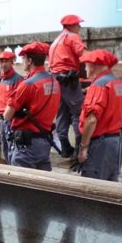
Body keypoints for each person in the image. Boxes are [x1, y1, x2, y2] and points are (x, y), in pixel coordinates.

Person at [77, 50, 122, 181]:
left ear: (93, 65)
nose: (85, 68)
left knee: (93, 187)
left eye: (86, 65)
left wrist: (83, 147)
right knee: (110, 185)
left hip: (100, 144)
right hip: (116, 141)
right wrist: (112, 120)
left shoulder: (98, 86)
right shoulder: (118, 83)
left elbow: (91, 120)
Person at [3, 42, 61, 170]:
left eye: (23, 58)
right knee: (43, 186)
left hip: (27, 146)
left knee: (21, 187)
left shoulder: (27, 85)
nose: (22, 61)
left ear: (29, 61)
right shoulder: (54, 82)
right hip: (45, 141)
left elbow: (7, 115)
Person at [48, 14, 87, 158]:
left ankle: (65, 148)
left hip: (56, 80)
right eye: (78, 25)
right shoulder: (72, 37)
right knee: (78, 112)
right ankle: (79, 148)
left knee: (62, 113)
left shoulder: (57, 40)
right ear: (70, 26)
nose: (80, 27)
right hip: (68, 79)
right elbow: (82, 54)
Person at [0, 50, 23, 163]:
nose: (2, 64)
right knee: (5, 147)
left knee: (12, 148)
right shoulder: (1, 79)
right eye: (0, 62)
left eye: (6, 61)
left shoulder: (18, 80)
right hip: (1, 120)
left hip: (12, 120)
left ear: (12, 62)